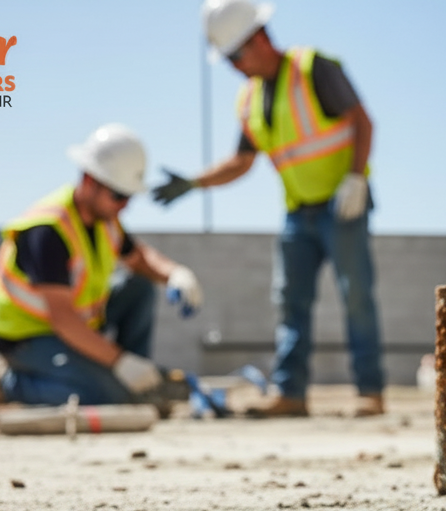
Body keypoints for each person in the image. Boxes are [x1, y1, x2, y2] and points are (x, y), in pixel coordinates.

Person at [152, 0, 385, 418]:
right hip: (299, 214)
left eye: (235, 56)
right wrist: (193, 183)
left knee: (356, 298)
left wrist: (356, 179)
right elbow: (241, 161)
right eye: (226, 60)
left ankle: (371, 390)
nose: (233, 67)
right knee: (291, 304)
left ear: (258, 39)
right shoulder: (249, 100)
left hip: (342, 204)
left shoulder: (315, 69)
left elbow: (362, 122)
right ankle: (290, 393)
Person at [0, 123, 204, 406]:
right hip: (27, 337)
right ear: (90, 181)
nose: (125, 206)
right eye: (119, 196)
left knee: (140, 287)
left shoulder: (106, 223)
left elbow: (140, 259)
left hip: (77, 325)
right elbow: (64, 321)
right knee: (104, 396)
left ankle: (141, 385)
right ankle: (7, 382)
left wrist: (175, 274)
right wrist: (121, 363)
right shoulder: (47, 231)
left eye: (129, 196)